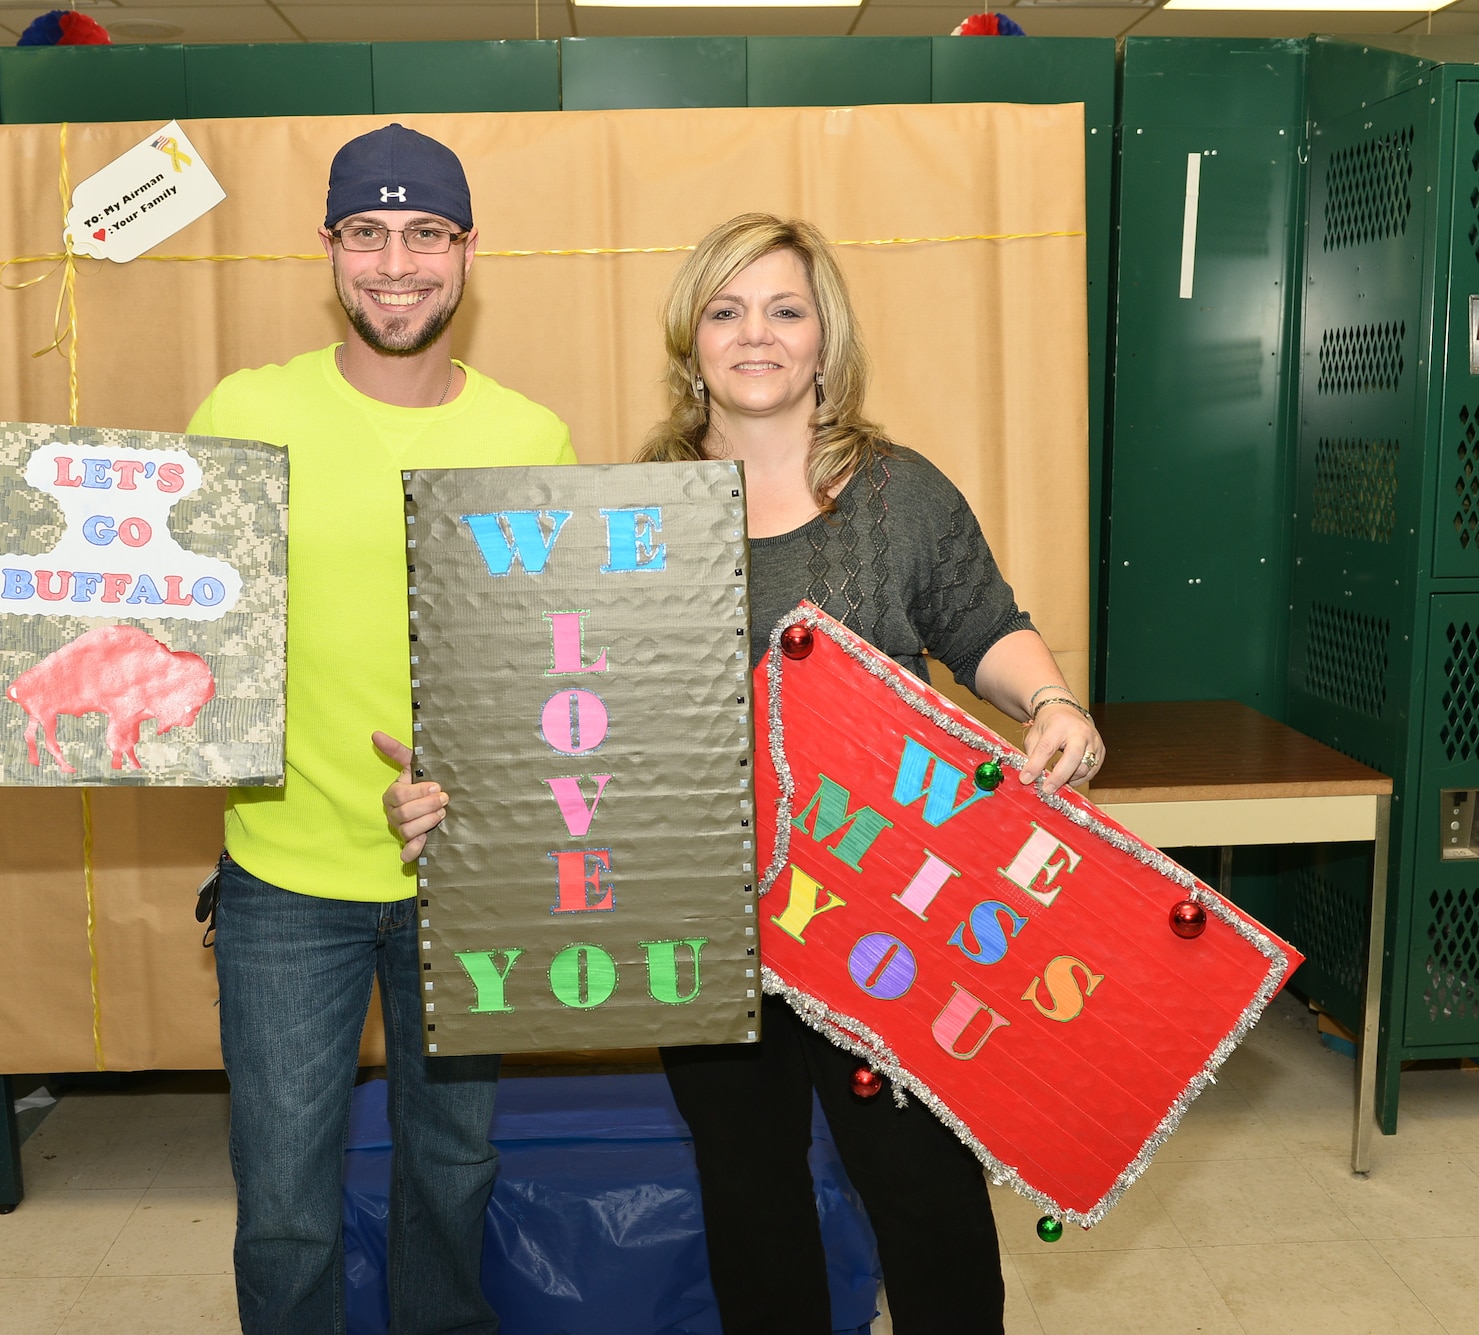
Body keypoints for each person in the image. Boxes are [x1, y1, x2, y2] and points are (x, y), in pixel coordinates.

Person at [0, 124, 574, 1335]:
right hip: (280, 880)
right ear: (330, 251)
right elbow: (132, 614)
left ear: (467, 253)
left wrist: (489, 776)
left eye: (423, 234)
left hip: (460, 876)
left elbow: (550, 669)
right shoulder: (245, 414)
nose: (394, 262)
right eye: (366, 232)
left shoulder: (533, 437)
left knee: (452, 1174)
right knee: (286, 1203)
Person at [386, 213, 1103, 1334]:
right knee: (749, 1195)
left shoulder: (897, 492)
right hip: (703, 922)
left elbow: (983, 625)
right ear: (691, 341)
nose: (754, 335)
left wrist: (1051, 700)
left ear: (825, 339)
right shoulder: (630, 516)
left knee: (924, 1198)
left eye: (783, 309)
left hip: (882, 919)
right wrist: (459, 798)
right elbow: (565, 714)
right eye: (725, 311)